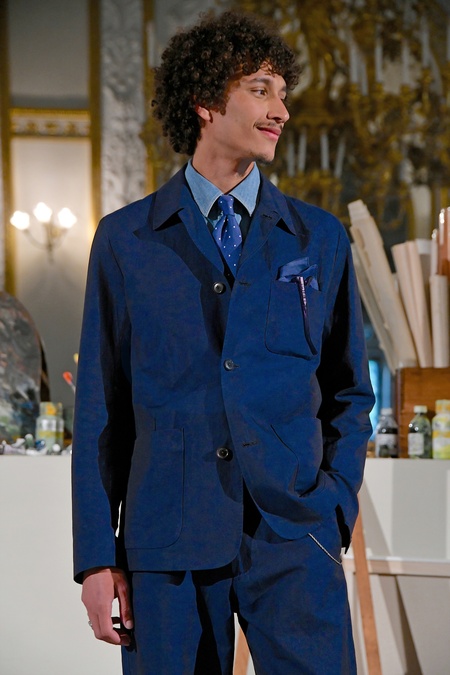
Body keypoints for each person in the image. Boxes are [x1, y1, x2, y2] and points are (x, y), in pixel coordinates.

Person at [72, 10, 374, 675]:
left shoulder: (318, 238)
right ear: (205, 102)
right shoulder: (126, 240)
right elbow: (100, 410)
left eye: (282, 93)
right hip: (167, 545)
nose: (281, 110)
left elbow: (349, 392)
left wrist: (334, 505)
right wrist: (96, 558)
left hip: (294, 536)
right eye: (261, 90)